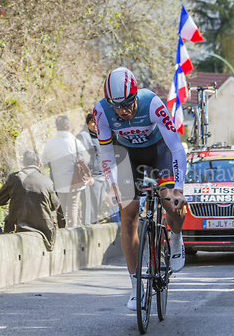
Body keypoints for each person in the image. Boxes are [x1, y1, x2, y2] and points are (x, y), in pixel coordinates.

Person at [93, 66, 187, 311]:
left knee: (172, 203)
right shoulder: (101, 111)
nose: (123, 112)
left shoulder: (153, 104)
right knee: (128, 216)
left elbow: (176, 147)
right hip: (127, 156)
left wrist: (179, 188)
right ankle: (135, 288)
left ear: (136, 96)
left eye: (128, 104)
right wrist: (112, 182)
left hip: (159, 152)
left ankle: (175, 239)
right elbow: (105, 151)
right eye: (117, 106)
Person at [0, 150, 60, 250]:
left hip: (17, 227)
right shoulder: (47, 182)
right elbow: (55, 206)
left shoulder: (14, 178)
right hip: (43, 229)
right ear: (38, 164)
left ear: (23, 163)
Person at [42, 116, 90, 228]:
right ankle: (72, 231)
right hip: (75, 181)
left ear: (57, 127)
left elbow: (45, 162)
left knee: (60, 207)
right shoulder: (76, 142)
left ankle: (62, 231)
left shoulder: (50, 144)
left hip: (57, 182)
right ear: (69, 127)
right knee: (73, 206)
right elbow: (86, 160)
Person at [76, 113, 106, 225]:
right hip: (92, 177)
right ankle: (87, 230)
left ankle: (92, 227)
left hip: (101, 176)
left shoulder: (100, 135)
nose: (95, 125)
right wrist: (88, 176)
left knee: (97, 206)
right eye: (92, 122)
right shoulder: (83, 136)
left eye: (97, 122)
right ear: (87, 123)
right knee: (89, 207)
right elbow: (81, 158)